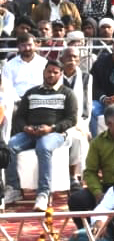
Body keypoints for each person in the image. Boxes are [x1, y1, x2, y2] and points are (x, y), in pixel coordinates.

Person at [4, 60, 78, 210]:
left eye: (55, 72)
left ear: (60, 74)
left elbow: (72, 119)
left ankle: (43, 193)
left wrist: (51, 128)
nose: (51, 75)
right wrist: (25, 127)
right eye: (49, 71)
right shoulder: (31, 92)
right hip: (31, 132)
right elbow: (20, 116)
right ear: (44, 72)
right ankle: (14, 188)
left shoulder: (67, 93)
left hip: (55, 133)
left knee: (43, 146)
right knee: (10, 146)